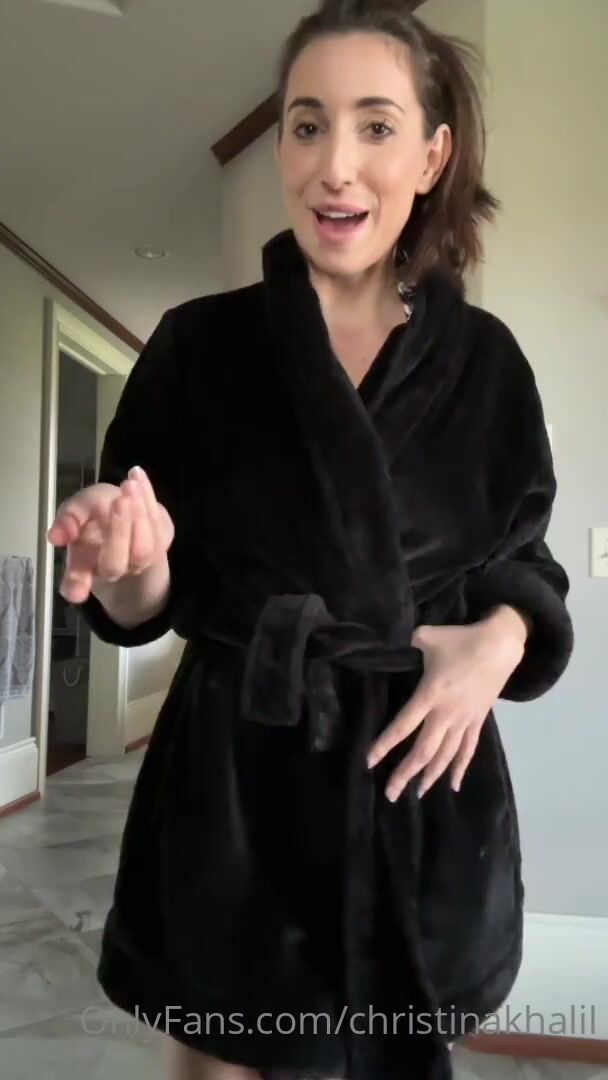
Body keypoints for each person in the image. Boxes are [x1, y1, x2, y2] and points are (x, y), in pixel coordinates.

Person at [48, 1, 574, 1078]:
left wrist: (501, 643)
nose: (334, 166)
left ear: (431, 155)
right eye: (305, 124)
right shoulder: (197, 348)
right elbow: (151, 598)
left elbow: (525, 561)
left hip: (420, 783)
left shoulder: (485, 364)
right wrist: (131, 561)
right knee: (220, 1060)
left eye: (375, 126)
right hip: (240, 780)